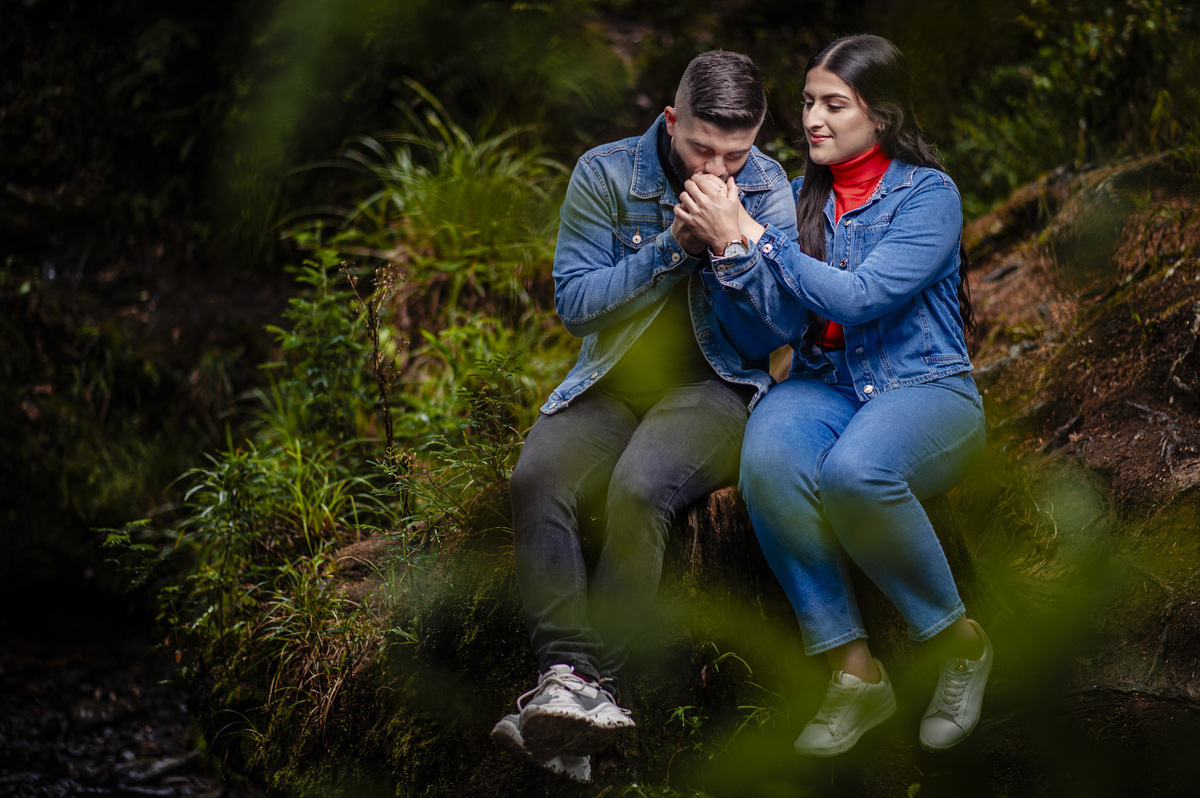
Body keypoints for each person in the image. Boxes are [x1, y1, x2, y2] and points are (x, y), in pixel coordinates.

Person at [674, 33, 992, 757]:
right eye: (809, 101)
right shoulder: (794, 199)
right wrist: (720, 251)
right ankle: (855, 675)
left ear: (879, 115)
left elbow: (860, 297)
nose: (813, 118)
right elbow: (774, 329)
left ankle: (959, 643)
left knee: (856, 473)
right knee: (772, 458)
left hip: (926, 392)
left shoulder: (928, 195)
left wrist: (752, 237)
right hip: (826, 386)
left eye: (834, 104)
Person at [490, 50, 798, 782]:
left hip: (715, 390)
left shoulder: (768, 185)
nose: (718, 170)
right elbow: (575, 305)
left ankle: (596, 690)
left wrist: (731, 248)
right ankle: (565, 677)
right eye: (701, 147)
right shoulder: (604, 174)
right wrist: (673, 247)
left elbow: (780, 329)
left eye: (735, 152)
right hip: (610, 385)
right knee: (536, 479)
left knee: (639, 488)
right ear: (671, 121)